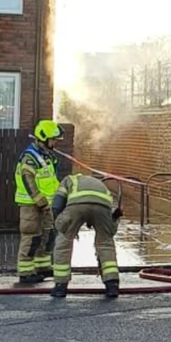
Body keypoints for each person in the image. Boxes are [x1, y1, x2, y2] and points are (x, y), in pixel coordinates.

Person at [49, 172, 123, 299]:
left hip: (77, 206)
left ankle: (60, 287)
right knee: (105, 243)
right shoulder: (100, 184)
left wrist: (61, 225)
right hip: (103, 208)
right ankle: (112, 285)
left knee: (64, 242)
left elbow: (57, 205)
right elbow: (110, 225)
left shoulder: (68, 179)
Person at [14, 120, 62, 284]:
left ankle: (42, 267)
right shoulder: (30, 157)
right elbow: (28, 181)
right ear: (43, 138)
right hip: (31, 204)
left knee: (47, 236)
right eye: (53, 139)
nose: (55, 142)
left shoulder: (46, 156)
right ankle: (26, 272)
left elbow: (50, 180)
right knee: (31, 236)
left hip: (46, 204)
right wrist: (40, 200)